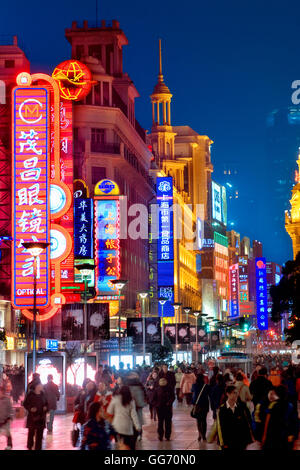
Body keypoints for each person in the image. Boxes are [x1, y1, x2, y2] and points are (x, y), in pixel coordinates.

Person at [216, 385, 254, 450]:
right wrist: (223, 443)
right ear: (228, 394)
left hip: (241, 442)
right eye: (234, 393)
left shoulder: (241, 407)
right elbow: (220, 428)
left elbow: (246, 423)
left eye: (237, 393)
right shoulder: (222, 410)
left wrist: (249, 439)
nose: (236, 395)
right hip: (229, 443)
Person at [261, 385, 299, 450]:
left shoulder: (273, 405)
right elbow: (295, 421)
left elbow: (267, 420)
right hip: (285, 434)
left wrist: (264, 435)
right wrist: (294, 435)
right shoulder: (290, 405)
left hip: (274, 434)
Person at [107, 385, 141, 450]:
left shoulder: (115, 399)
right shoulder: (131, 401)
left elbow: (109, 411)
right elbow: (134, 415)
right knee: (127, 445)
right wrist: (138, 426)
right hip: (127, 428)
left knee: (119, 445)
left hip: (116, 426)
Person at [23, 381, 48, 450]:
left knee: (40, 434)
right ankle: (30, 446)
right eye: (40, 385)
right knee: (31, 433)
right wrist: (30, 409)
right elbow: (25, 404)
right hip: (32, 417)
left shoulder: (43, 394)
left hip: (41, 417)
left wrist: (45, 407)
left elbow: (46, 403)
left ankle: (38, 447)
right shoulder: (30, 395)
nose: (42, 386)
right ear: (36, 386)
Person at [125, 372, 147, 442]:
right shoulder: (139, 384)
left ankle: (137, 434)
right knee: (138, 421)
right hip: (138, 405)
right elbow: (144, 394)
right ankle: (138, 434)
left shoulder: (127, 384)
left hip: (133, 405)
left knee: (134, 420)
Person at [191, 373, 210, 441]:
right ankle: (204, 435)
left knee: (198, 421)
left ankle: (199, 434)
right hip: (204, 405)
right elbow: (209, 394)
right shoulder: (206, 386)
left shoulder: (194, 385)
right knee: (204, 420)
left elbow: (192, 393)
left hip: (197, 405)